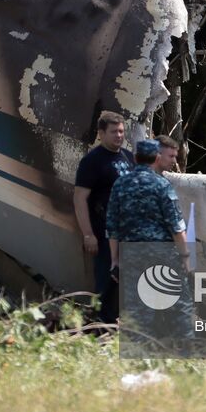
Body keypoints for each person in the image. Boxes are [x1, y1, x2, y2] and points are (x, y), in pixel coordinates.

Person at [108, 138, 190, 340]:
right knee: (179, 306)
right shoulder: (162, 185)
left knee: (137, 310)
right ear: (155, 157)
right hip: (161, 254)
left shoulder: (120, 184)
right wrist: (186, 256)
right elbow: (177, 227)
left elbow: (112, 228)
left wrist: (115, 260)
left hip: (132, 255)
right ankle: (186, 351)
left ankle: (138, 353)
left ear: (135, 158)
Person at [73, 111, 134, 323]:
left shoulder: (128, 157)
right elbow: (80, 198)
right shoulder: (92, 161)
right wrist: (88, 234)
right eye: (114, 132)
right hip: (106, 233)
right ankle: (102, 328)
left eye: (121, 131)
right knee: (107, 283)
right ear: (101, 134)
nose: (119, 135)